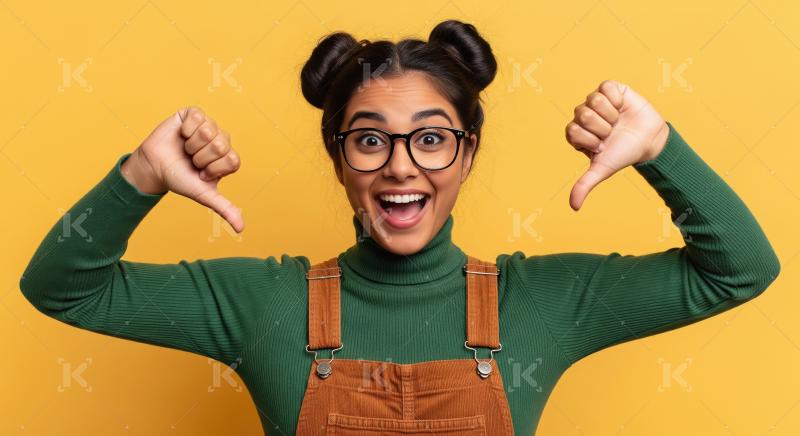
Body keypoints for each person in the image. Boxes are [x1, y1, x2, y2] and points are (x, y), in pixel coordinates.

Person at [20, 19, 780, 436]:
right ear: (341, 157)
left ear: (467, 153)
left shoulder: (542, 302)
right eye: (370, 138)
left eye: (432, 136)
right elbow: (62, 291)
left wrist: (658, 150)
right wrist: (142, 175)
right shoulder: (265, 302)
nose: (402, 167)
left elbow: (739, 269)